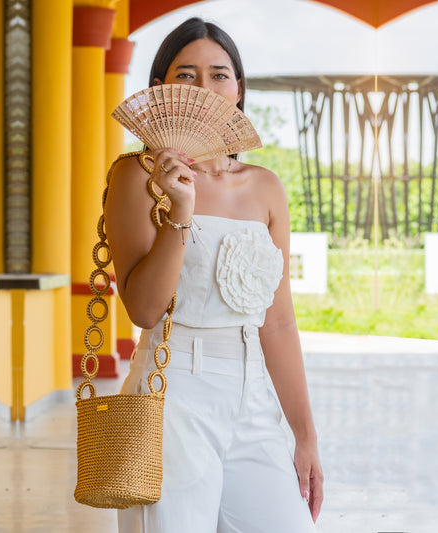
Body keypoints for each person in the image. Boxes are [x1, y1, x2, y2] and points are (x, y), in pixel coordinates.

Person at [105, 17, 323, 533]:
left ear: (238, 89)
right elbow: (143, 309)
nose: (204, 87)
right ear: (160, 87)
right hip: (169, 392)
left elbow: (278, 324)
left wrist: (305, 436)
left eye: (219, 74)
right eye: (186, 74)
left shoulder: (265, 187)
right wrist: (180, 211)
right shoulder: (136, 177)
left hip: (253, 401)